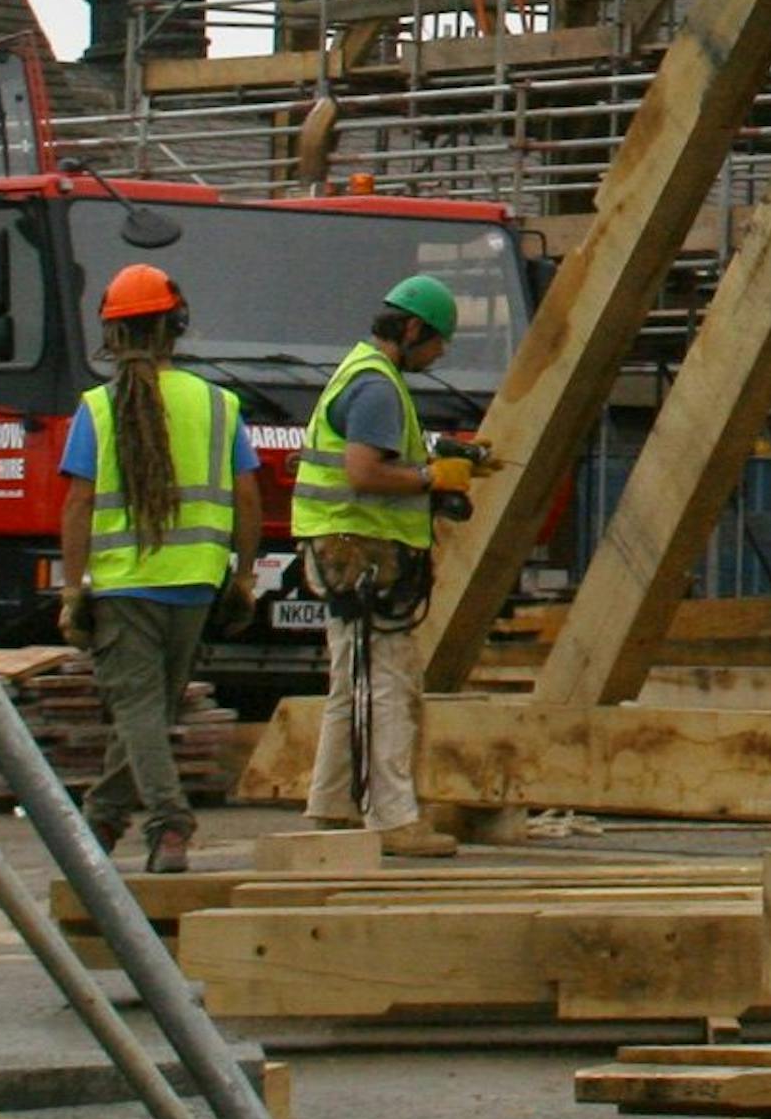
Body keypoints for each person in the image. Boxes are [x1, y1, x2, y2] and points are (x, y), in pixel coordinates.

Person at [54, 262, 260, 874]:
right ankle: (104, 816)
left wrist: (71, 590)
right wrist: (244, 575)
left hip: (124, 586)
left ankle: (170, 825)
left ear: (113, 336)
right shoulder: (220, 405)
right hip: (196, 582)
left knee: (138, 712)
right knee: (152, 712)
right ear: (177, 327)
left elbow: (79, 502)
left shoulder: (97, 408)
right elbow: (249, 495)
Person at [289, 272, 490, 849]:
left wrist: (449, 456)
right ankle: (393, 818)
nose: (440, 354)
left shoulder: (365, 375)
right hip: (362, 553)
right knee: (387, 683)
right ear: (410, 328)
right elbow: (364, 471)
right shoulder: (377, 386)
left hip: (342, 549)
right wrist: (431, 479)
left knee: (351, 682)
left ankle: (331, 804)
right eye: (436, 342)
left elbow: (380, 452)